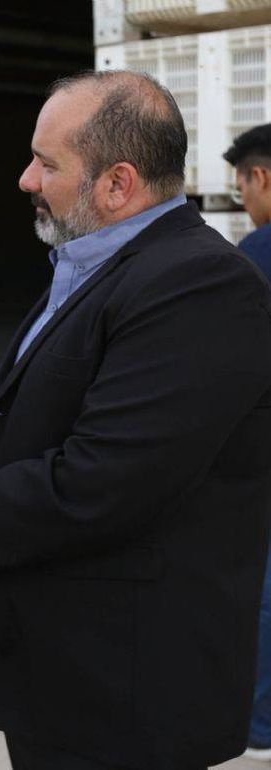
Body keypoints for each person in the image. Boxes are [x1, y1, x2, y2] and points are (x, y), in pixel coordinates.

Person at [0, 70, 271, 770]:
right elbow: (10, 415)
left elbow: (105, 481)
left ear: (117, 183)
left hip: (126, 693)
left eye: (46, 164)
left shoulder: (199, 284)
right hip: (66, 674)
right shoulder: (93, 266)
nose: (25, 179)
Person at [224, 123, 271, 762]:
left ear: (261, 177)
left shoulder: (257, 253)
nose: (243, 202)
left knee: (263, 584)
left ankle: (260, 724)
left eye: (242, 189)